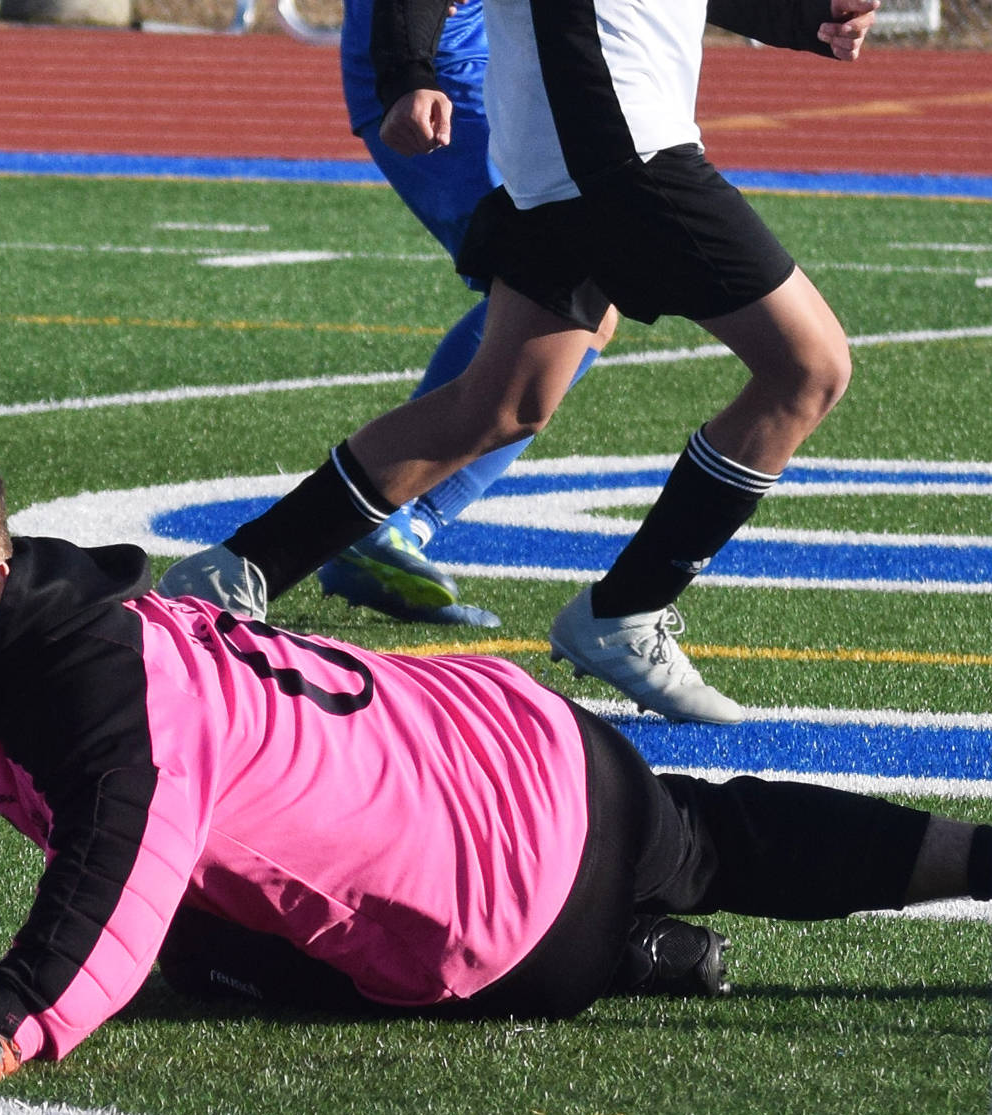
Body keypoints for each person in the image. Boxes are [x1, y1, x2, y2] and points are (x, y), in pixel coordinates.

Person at [0, 438, 992, 1086]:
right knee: (713, 828)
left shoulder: (90, 700)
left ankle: (628, 954)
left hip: (502, 921)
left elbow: (116, 879)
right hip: (525, 740)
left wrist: (9, 1021)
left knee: (187, 946)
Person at [158, 0, 882, 725]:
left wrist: (803, 21)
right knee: (807, 369)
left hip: (577, 148)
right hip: (618, 144)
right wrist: (409, 73)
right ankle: (628, 610)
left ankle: (236, 571)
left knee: (501, 406)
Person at [323, 0, 618, 628]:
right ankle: (381, 516)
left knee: (584, 303)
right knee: (560, 293)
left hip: (505, 58)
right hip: (443, 68)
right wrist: (411, 70)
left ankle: (391, 521)